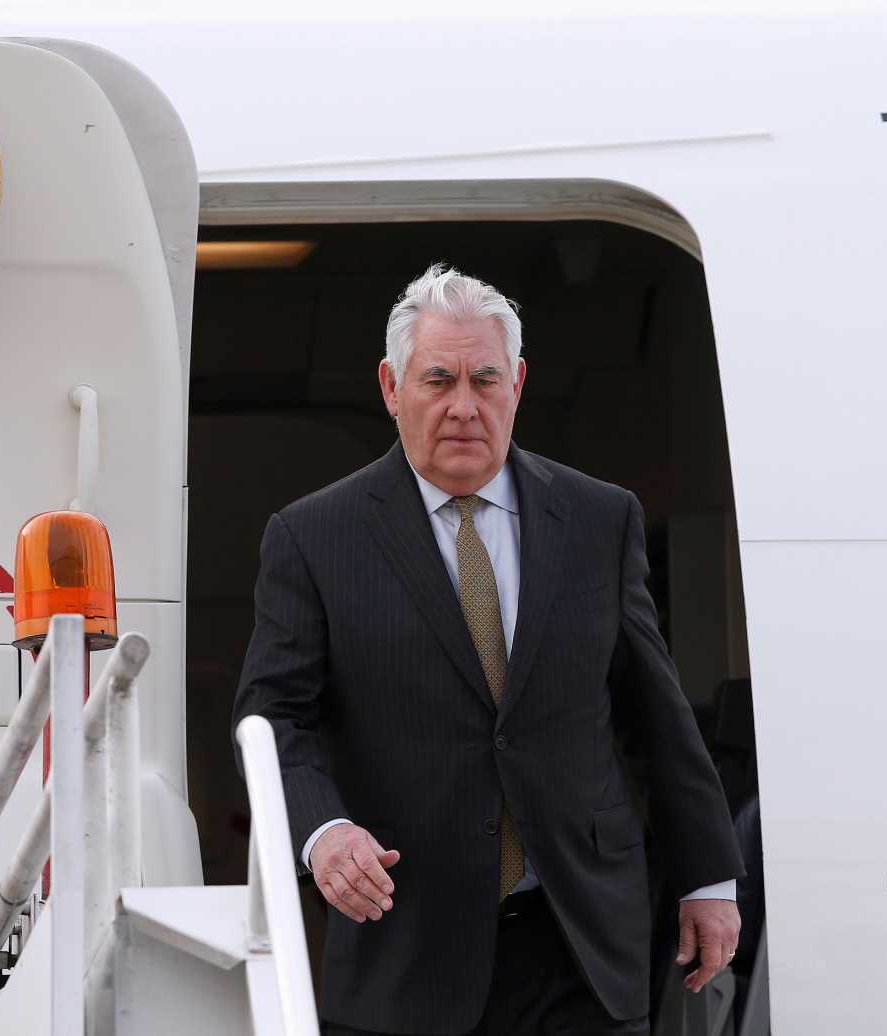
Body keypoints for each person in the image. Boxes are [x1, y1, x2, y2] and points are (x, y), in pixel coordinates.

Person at [231, 265, 744, 1035]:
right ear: (390, 386)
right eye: (437, 380)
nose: (463, 406)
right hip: (407, 952)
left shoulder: (601, 521)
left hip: (581, 945)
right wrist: (322, 832)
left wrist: (708, 876)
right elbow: (271, 720)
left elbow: (656, 713)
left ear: (519, 384)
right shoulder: (312, 538)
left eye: (485, 379)